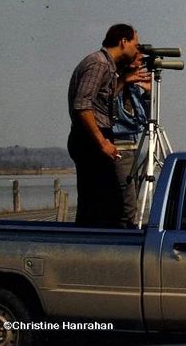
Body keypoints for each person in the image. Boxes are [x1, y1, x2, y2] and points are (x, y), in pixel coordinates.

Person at [67, 24, 141, 228]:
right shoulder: (98, 64)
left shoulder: (107, 66)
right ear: (123, 42)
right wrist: (102, 142)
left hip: (94, 136)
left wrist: (123, 82)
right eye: (135, 45)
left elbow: (101, 101)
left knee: (101, 202)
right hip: (90, 138)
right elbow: (83, 105)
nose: (137, 50)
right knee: (102, 203)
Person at [112, 52, 151, 228]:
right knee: (128, 203)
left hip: (134, 147)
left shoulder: (134, 87)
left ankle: (126, 229)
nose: (140, 64)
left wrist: (148, 94)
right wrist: (123, 83)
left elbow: (144, 119)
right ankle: (127, 235)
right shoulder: (114, 82)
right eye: (138, 59)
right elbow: (112, 112)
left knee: (133, 196)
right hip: (118, 148)